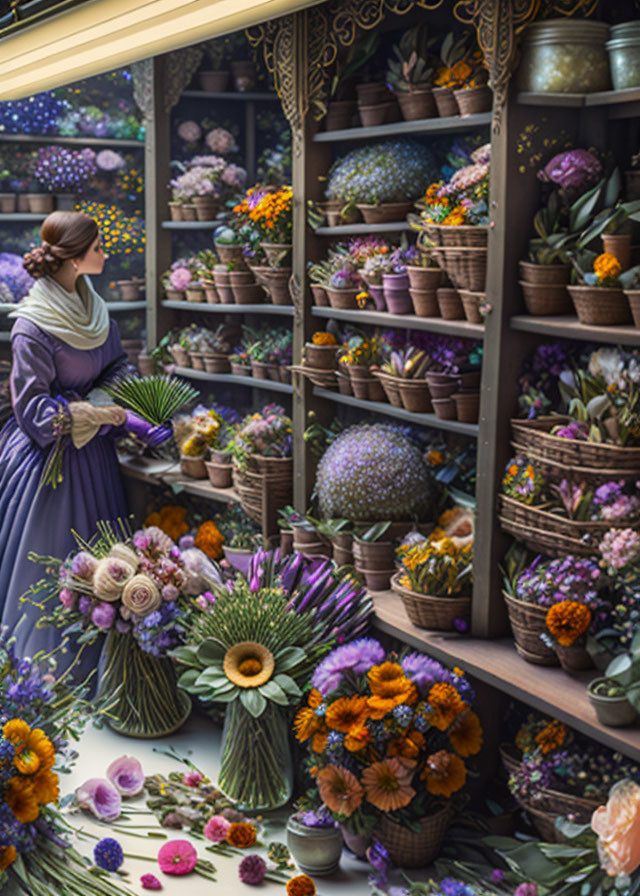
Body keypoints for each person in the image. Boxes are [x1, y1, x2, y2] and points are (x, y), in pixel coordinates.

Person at [0, 211, 169, 658]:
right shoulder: (32, 326)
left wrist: (136, 410)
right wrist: (107, 416)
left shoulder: (93, 309)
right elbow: (35, 415)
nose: (104, 253)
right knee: (52, 568)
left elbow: (116, 367)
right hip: (47, 470)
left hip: (94, 461)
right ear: (74, 259)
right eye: (97, 247)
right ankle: (47, 671)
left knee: (107, 572)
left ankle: (109, 665)